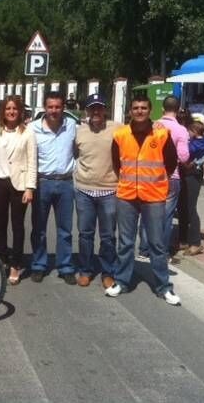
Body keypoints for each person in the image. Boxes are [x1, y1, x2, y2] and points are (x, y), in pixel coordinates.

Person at [106, 96, 181, 305]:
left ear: (150, 110)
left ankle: (163, 287)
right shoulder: (120, 134)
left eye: (143, 108)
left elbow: (171, 163)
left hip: (154, 196)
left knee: (157, 243)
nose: (139, 111)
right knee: (125, 242)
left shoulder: (161, 133)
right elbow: (116, 163)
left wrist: (158, 181)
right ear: (130, 111)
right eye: (136, 108)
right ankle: (121, 281)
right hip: (127, 195)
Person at [0, 96, 36, 285]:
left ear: (20, 111)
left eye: (14, 109)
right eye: (8, 108)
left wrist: (30, 187)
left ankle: (16, 264)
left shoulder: (28, 133)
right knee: (0, 224)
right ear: (3, 111)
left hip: (19, 184)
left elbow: (32, 161)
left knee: (18, 225)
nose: (11, 112)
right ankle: (3, 260)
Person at [73, 94, 122, 288]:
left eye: (99, 108)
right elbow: (74, 153)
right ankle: (85, 270)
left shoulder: (117, 128)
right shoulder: (79, 131)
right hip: (84, 191)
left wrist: (157, 125)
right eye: (92, 108)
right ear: (87, 111)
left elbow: (138, 130)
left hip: (109, 190)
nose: (95, 111)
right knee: (85, 234)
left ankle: (108, 272)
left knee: (108, 236)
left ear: (105, 110)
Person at [29, 91, 77, 285]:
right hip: (42, 182)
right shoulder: (33, 128)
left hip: (66, 182)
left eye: (57, 107)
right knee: (39, 228)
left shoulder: (72, 126)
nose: (54, 110)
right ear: (45, 107)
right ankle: (39, 265)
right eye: (50, 107)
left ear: (63, 107)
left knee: (65, 229)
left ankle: (65, 267)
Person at [138, 95, 190, 260]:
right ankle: (161, 252)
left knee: (147, 213)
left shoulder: (153, 126)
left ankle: (144, 249)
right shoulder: (181, 130)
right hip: (171, 176)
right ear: (178, 110)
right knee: (166, 216)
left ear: (162, 109)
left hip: (150, 175)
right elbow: (183, 156)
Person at [179, 121, 204, 257]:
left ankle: (195, 243)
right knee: (183, 206)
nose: (188, 133)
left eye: (189, 130)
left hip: (192, 175)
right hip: (193, 174)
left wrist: (194, 162)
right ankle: (183, 240)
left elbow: (187, 155)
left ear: (194, 131)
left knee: (190, 207)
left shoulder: (193, 144)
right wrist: (198, 162)